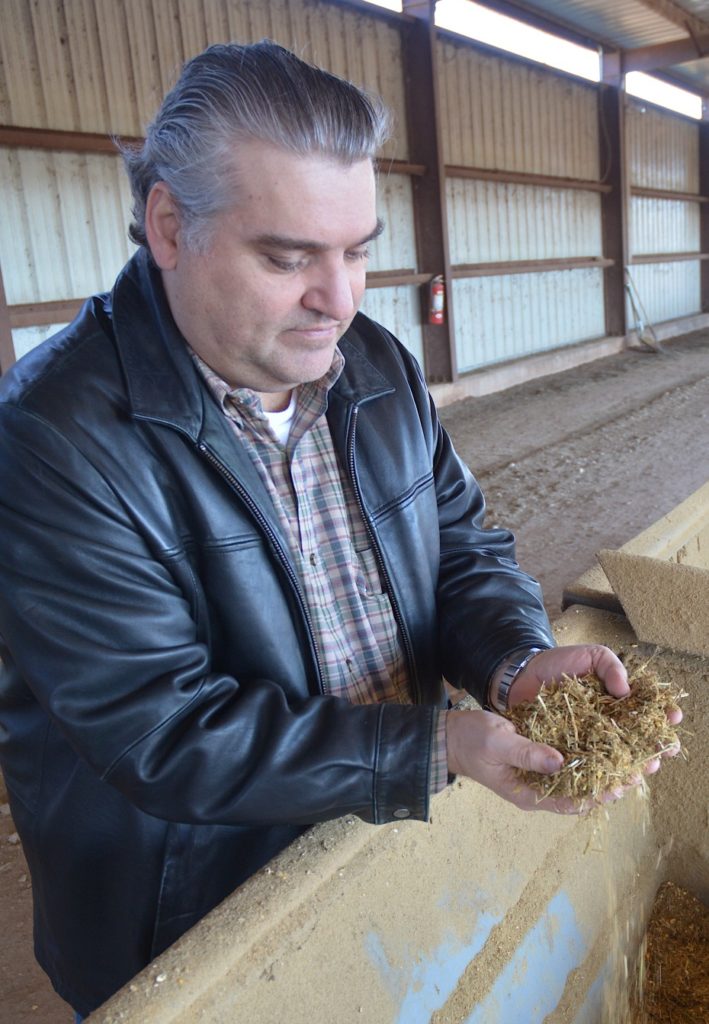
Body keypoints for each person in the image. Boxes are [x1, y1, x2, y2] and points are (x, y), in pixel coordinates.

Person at [0, 41, 679, 1018]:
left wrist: (513, 664)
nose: (341, 297)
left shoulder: (371, 365)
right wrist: (434, 749)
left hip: (368, 827)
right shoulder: (57, 435)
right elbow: (158, 729)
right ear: (169, 225)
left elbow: (456, 551)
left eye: (357, 247)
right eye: (288, 256)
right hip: (194, 906)